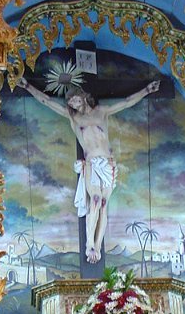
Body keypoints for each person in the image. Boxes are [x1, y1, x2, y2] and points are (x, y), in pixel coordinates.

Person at [18, 75, 160, 263]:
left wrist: (147, 90)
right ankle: (89, 244)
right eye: (70, 102)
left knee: (103, 204)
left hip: (108, 163)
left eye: (74, 99)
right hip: (92, 163)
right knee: (95, 199)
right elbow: (48, 101)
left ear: (83, 96)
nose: (72, 103)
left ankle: (98, 245)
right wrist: (28, 86)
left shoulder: (102, 112)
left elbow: (126, 102)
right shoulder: (74, 118)